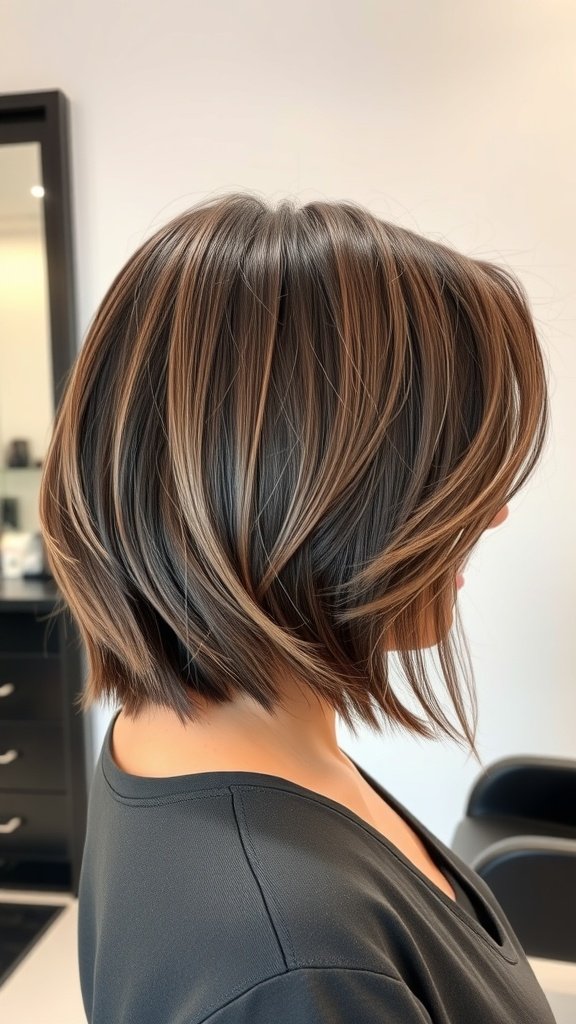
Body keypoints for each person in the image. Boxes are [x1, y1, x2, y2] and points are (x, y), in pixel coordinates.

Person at [39, 192, 555, 1023]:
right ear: (301, 483)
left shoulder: (180, 741)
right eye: (448, 472)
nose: (491, 513)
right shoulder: (298, 962)